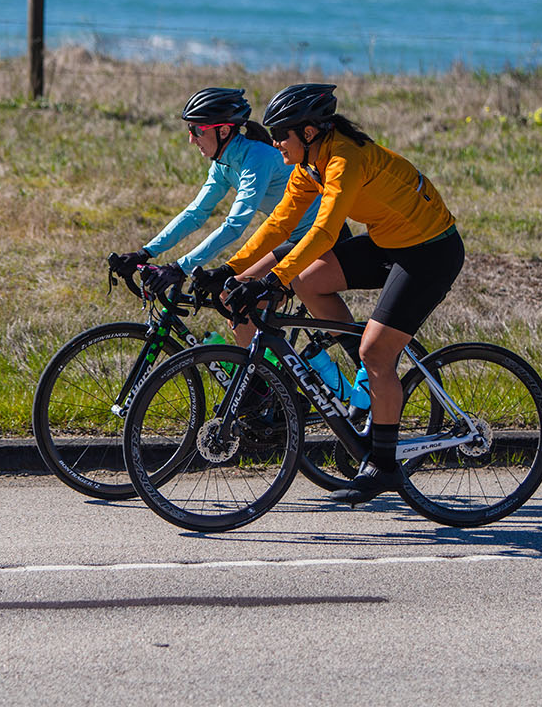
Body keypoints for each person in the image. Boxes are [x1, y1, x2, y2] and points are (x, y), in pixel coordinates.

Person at [193, 83, 464, 506]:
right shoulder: (310, 164)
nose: (275, 143)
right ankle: (365, 379)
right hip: (389, 241)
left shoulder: (343, 159)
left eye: (281, 134)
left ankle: (384, 464)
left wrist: (274, 279)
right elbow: (279, 224)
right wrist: (229, 269)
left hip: (430, 251)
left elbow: (324, 231)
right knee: (309, 281)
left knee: (376, 351)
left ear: (308, 132)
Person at [110, 87, 322, 300]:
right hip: (291, 238)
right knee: (233, 301)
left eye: (197, 130)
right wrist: (145, 253)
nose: (192, 139)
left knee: (235, 299)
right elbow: (196, 213)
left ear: (223, 131)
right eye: (190, 130)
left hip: (318, 237)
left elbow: (235, 225)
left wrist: (180, 267)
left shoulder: (257, 158)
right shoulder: (223, 163)